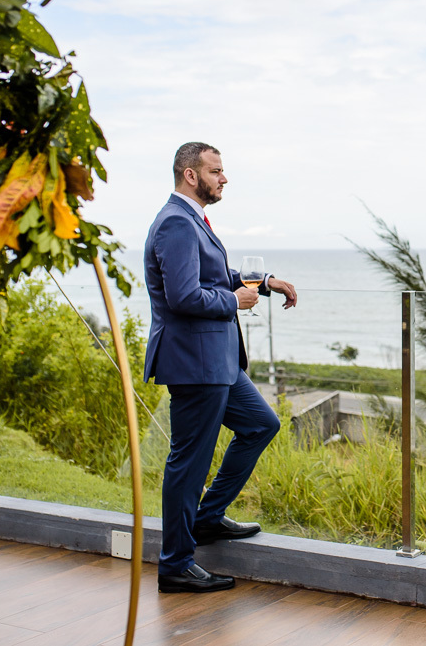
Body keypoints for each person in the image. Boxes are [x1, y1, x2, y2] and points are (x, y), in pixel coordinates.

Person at [143, 142, 297, 593]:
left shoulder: (192, 220)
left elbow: (215, 276)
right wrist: (234, 300)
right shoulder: (175, 222)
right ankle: (174, 564)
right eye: (216, 170)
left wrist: (263, 284)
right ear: (191, 175)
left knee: (261, 425)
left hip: (219, 362)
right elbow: (184, 297)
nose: (224, 178)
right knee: (188, 463)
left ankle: (207, 519)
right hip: (194, 363)